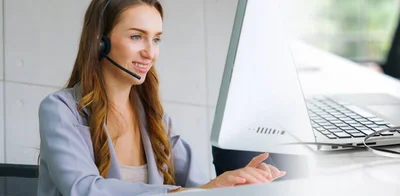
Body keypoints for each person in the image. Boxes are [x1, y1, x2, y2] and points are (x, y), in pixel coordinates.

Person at [36, 0, 285, 195]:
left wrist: (236, 183)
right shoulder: (61, 110)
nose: (150, 53)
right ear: (100, 41)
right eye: (136, 36)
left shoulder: (155, 119)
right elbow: (84, 190)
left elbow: (200, 187)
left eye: (156, 39)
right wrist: (191, 191)